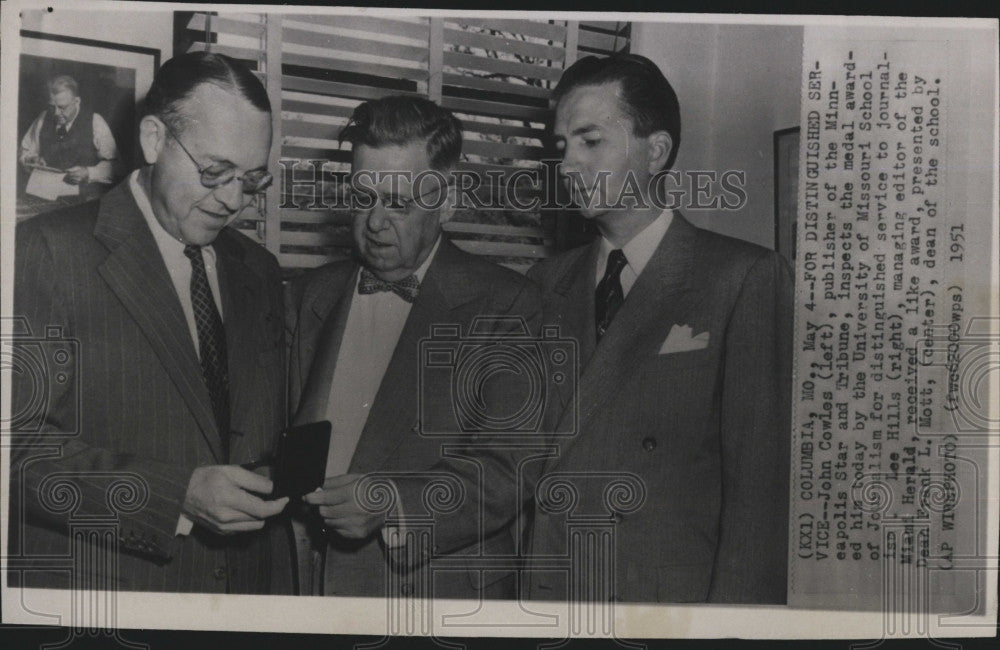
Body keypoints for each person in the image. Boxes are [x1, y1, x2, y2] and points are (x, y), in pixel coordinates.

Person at [331, 54, 792, 604]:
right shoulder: (545, 283)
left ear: (657, 151)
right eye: (561, 145)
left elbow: (758, 505)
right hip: (543, 598)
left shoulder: (742, 277)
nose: (567, 164)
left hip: (661, 608)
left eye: (590, 141)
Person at [9, 52, 289, 594]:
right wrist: (173, 493)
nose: (233, 200)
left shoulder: (259, 269)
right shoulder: (46, 251)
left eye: (252, 180)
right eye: (215, 172)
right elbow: (14, 451)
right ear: (155, 140)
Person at [285, 95, 541, 599]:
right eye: (363, 197)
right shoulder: (307, 294)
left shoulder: (511, 305)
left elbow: (509, 469)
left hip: (431, 595)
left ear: (447, 201)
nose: (376, 222)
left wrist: (392, 503)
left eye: (399, 203)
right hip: (305, 590)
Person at [19, 74, 120, 202]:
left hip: (82, 200)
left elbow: (116, 167)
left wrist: (88, 173)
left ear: (76, 101)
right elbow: (25, 151)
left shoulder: (95, 121)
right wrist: (31, 159)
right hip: (44, 196)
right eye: (52, 107)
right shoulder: (43, 118)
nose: (56, 113)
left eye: (62, 107)